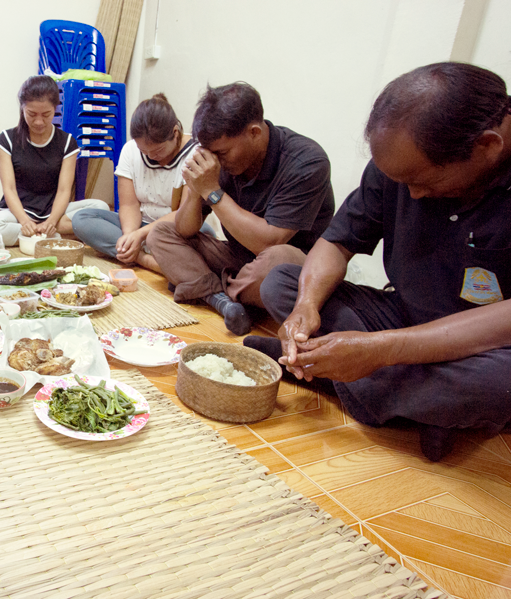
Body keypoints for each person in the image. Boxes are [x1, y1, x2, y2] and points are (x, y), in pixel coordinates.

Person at [248, 62, 511, 462]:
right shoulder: (403, 162)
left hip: (486, 347)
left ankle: (345, 383)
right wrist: (306, 305)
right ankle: (417, 406)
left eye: (423, 182)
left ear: (488, 146)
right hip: (403, 314)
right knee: (281, 282)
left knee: (499, 384)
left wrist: (380, 350)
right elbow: (335, 244)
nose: (413, 195)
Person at [146, 83, 334, 335]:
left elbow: (268, 242)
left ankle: (207, 288)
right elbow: (184, 230)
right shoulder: (218, 158)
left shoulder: (307, 162)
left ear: (254, 132)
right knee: (159, 234)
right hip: (238, 258)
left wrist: (212, 192)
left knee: (275, 262)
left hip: (288, 265)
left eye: (222, 152)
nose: (216, 160)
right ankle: (225, 301)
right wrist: (195, 188)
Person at [72, 93, 210, 273]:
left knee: (206, 233)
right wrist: (130, 236)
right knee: (82, 219)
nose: (152, 156)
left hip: (173, 230)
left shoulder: (195, 155)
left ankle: (140, 255)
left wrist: (140, 235)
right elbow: (129, 205)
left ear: (175, 133)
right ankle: (144, 258)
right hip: (140, 225)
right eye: (144, 151)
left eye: (158, 150)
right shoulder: (130, 149)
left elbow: (182, 214)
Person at [0, 75, 109, 247]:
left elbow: (64, 190)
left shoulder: (67, 142)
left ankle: (41, 234)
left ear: (55, 108)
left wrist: (51, 220)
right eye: (31, 114)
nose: (39, 121)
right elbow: (9, 189)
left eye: (46, 114)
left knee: (101, 207)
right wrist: (25, 221)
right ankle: (58, 235)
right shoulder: (7, 139)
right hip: (18, 212)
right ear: (22, 108)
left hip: (54, 211)